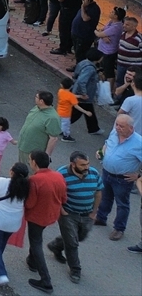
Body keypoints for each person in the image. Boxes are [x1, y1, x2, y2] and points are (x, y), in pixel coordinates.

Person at [47, 151, 103, 284]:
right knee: (72, 243)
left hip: (87, 214)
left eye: (88, 164)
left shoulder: (94, 173)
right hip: (69, 214)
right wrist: (61, 210)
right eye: (83, 165)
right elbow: (53, 193)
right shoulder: (61, 174)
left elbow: (98, 192)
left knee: (81, 236)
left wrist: (94, 212)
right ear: (73, 164)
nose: (87, 167)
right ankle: (75, 270)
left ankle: (56, 245)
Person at [23, 150, 67, 294]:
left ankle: (46, 280)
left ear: (34, 162)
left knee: (36, 243)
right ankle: (32, 261)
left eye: (30, 159)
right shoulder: (58, 176)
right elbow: (64, 198)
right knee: (37, 239)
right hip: (51, 215)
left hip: (37, 217)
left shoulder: (34, 180)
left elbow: (30, 203)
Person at [0, 162, 31, 287]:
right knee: (1, 242)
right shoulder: (27, 187)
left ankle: (1, 274)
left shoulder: (1, 182)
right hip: (14, 221)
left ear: (12, 172)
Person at [95, 114, 142, 242]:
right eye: (117, 124)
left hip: (123, 179)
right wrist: (101, 152)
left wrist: (138, 175)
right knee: (105, 197)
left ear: (131, 128)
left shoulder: (139, 143)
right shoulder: (114, 134)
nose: (117, 128)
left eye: (121, 126)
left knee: (122, 204)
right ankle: (101, 217)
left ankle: (119, 228)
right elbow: (106, 144)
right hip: (107, 173)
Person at [18, 91, 62, 164]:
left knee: (31, 173)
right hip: (23, 146)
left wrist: (46, 155)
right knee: (21, 171)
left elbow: (53, 138)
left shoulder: (52, 117)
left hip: (33, 152)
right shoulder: (36, 108)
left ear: (41, 101)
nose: (35, 98)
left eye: (36, 97)